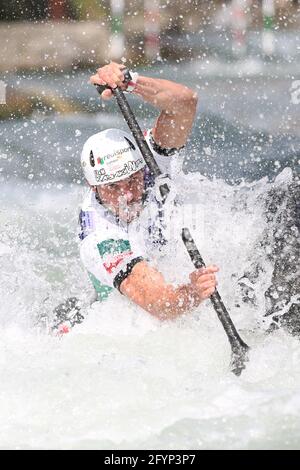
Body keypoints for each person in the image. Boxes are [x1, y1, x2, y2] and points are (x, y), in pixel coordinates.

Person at [53, 62, 219, 333]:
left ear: (142, 166)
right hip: (125, 317)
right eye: (112, 188)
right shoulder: (100, 238)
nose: (127, 195)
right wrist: (193, 292)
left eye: (132, 180)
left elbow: (185, 103)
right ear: (92, 187)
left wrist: (129, 81)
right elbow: (161, 305)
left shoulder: (148, 158)